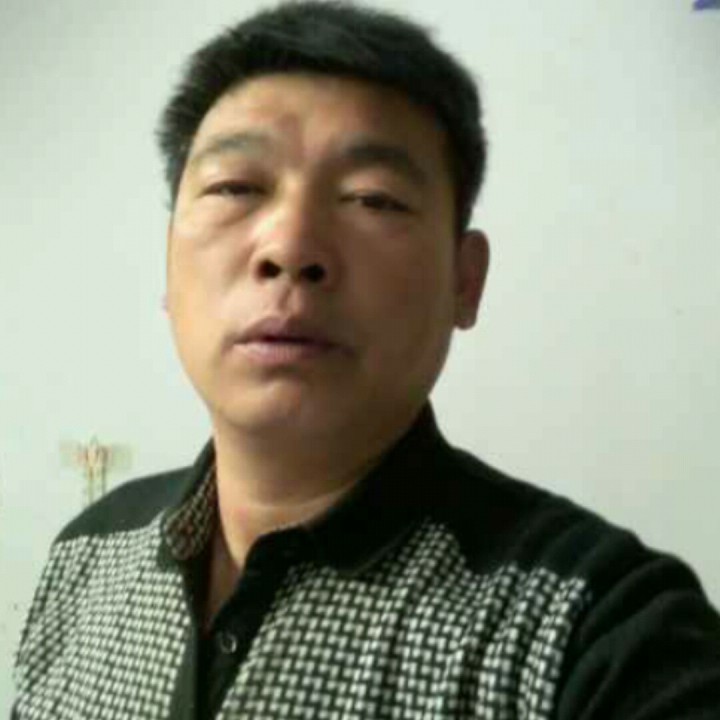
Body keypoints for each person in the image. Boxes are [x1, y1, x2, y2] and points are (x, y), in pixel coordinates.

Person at [11, 2, 720, 718]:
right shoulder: (85, 555)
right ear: (168, 263)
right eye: (235, 188)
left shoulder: (602, 628)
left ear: (465, 281)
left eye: (372, 199)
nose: (289, 246)